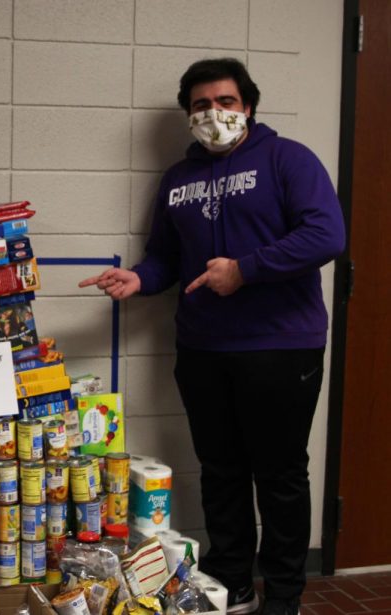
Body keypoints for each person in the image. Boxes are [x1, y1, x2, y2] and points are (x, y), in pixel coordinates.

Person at [78, 58, 344, 615]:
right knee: (220, 470)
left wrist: (245, 269)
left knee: (279, 474)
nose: (213, 113)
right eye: (201, 105)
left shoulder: (286, 159)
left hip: (280, 345)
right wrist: (139, 279)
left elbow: (326, 235)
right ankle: (232, 581)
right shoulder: (178, 178)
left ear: (248, 106)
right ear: (188, 114)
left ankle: (285, 595)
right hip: (202, 347)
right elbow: (165, 257)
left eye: (225, 102)